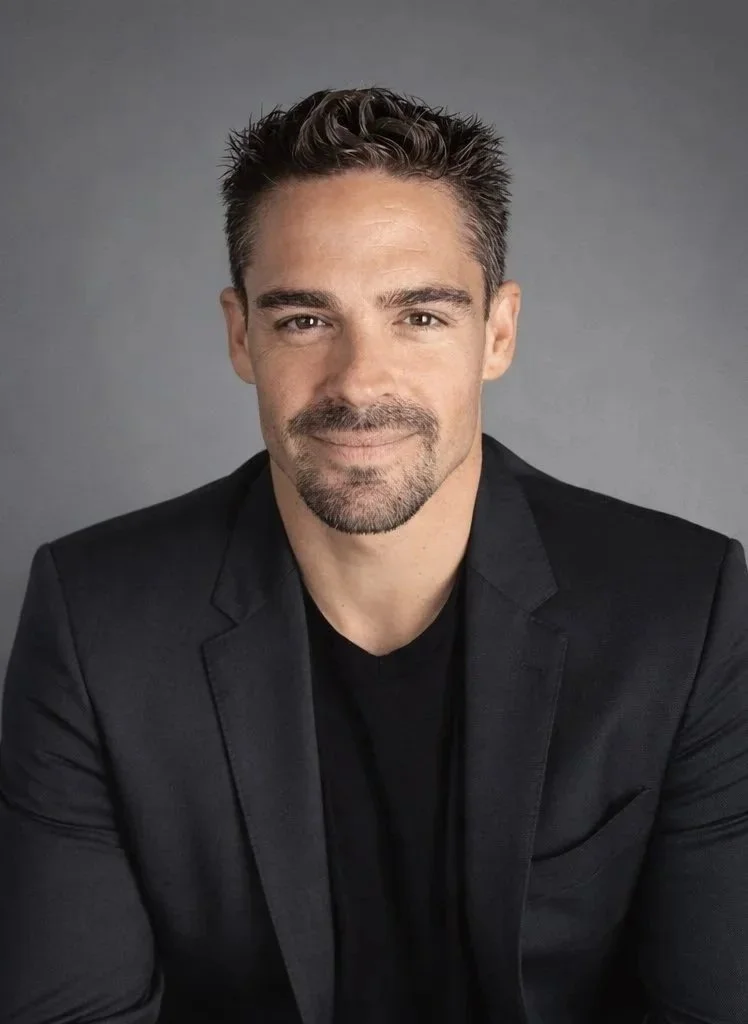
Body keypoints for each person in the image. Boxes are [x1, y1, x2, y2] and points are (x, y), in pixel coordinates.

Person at [1, 86, 746, 1024]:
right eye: (304, 319)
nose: (359, 383)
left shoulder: (683, 608)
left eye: (420, 317)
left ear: (498, 332)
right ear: (241, 335)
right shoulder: (94, 619)